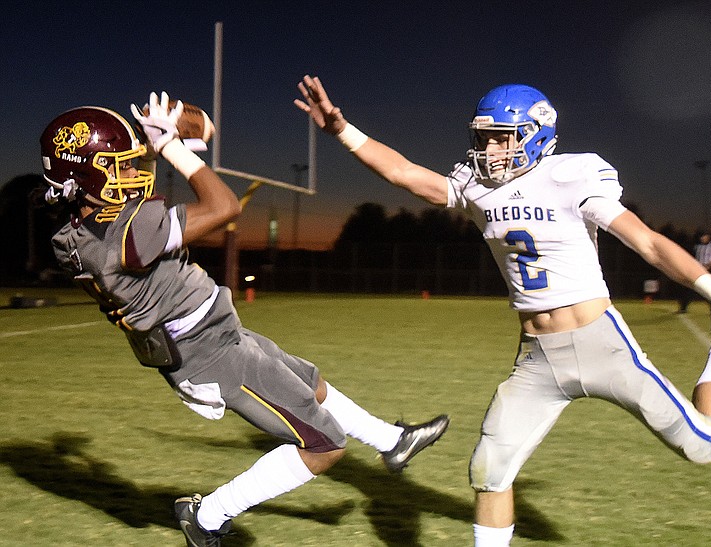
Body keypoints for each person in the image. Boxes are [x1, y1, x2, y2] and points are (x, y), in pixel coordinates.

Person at [294, 76, 711, 546]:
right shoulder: (476, 185)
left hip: (602, 343)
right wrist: (341, 129)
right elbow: (405, 174)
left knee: (705, 446)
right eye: (484, 137)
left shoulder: (571, 175)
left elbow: (649, 243)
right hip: (537, 358)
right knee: (489, 471)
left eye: (501, 138)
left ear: (534, 135)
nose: (488, 149)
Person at [41, 92, 449, 547]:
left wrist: (169, 139)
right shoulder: (122, 232)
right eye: (118, 168)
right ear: (78, 180)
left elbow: (168, 182)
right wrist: (173, 148)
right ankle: (209, 515)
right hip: (207, 351)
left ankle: (392, 441)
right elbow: (224, 207)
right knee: (326, 445)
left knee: (311, 384)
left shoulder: (77, 233)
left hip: (210, 334)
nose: (133, 175)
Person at [678, 232, 711, 312]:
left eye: (704, 236)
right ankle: (683, 307)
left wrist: (709, 264)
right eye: (701, 237)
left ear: (708, 236)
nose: (702, 238)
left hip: (710, 270)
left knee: (709, 289)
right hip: (698, 269)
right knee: (689, 287)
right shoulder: (698, 246)